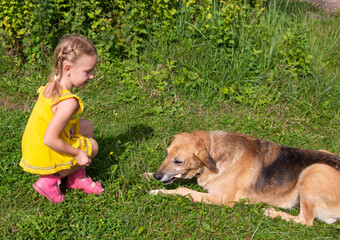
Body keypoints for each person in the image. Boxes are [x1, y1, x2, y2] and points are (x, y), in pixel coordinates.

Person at [19, 34, 104, 204]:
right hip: (44, 153)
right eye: (88, 71)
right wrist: (79, 153)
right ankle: (48, 181)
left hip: (35, 148)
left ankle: (75, 178)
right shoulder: (68, 102)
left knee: (86, 126)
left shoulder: (54, 84)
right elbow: (50, 139)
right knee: (92, 147)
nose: (92, 76)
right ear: (67, 68)